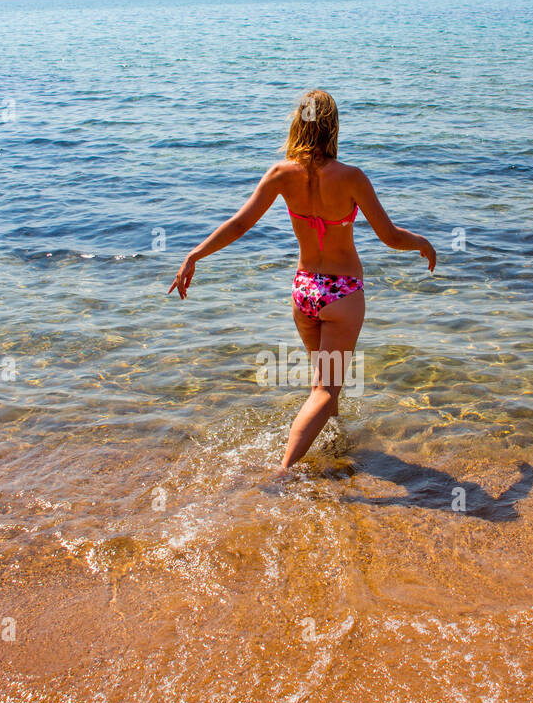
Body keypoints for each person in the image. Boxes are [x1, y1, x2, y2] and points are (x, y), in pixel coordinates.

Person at [169, 89, 437, 468]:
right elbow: (390, 236)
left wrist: (195, 253)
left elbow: (240, 224)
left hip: (304, 291)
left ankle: (336, 447)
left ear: (299, 123)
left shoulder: (281, 174)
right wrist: (422, 243)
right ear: (332, 127)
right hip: (342, 293)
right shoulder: (351, 177)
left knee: (327, 385)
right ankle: (285, 470)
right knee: (325, 389)